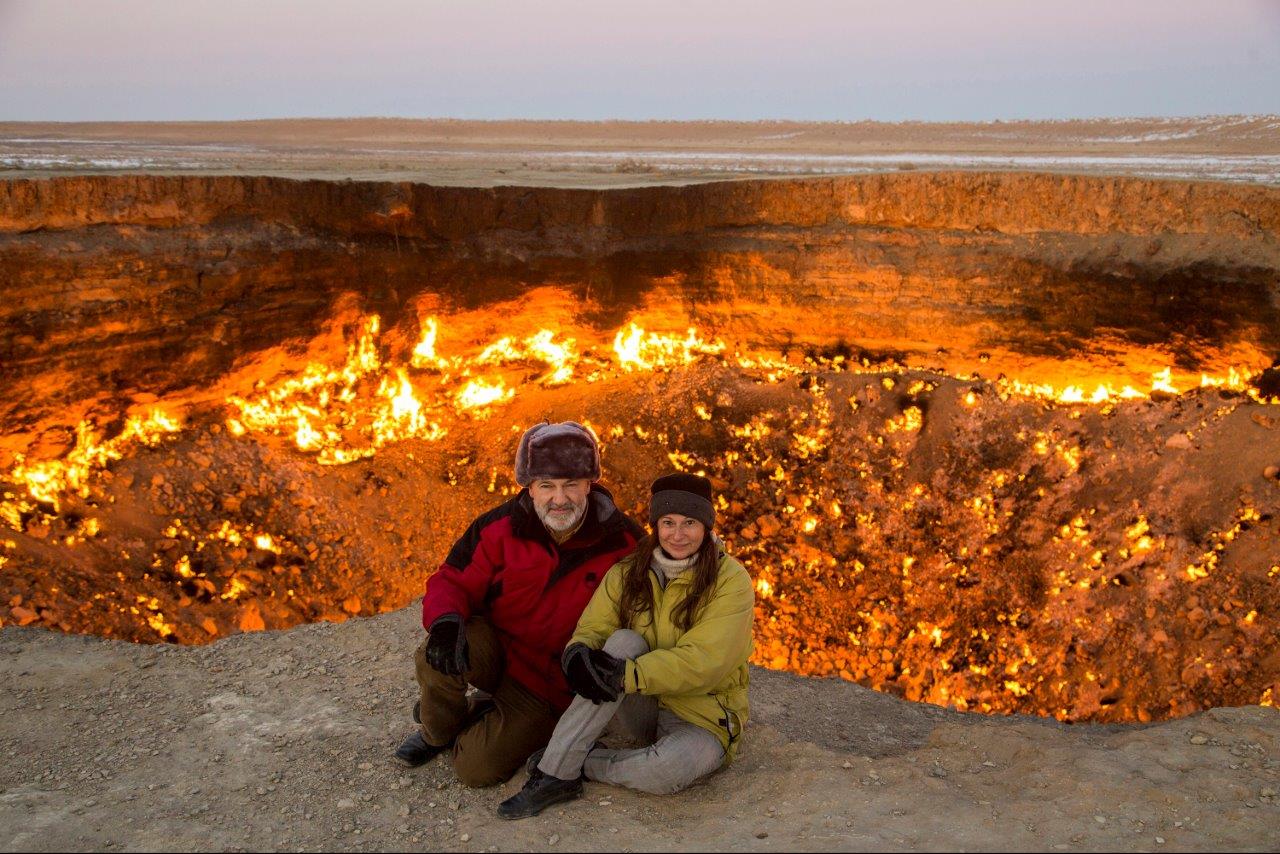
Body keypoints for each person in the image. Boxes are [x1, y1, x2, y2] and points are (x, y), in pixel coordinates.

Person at [394, 421, 643, 787]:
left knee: (476, 770)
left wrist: (603, 660)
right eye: (547, 486)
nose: (560, 499)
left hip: (551, 681)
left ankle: (487, 716)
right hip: (497, 648)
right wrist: (445, 622)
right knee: (435, 656)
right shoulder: (499, 527)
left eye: (571, 484)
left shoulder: (624, 543)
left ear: (590, 484)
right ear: (529, 487)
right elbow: (453, 579)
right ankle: (437, 734)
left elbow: (645, 613)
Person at [497, 472, 754, 818]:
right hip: (642, 705)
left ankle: (582, 762)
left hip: (701, 714)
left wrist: (626, 675)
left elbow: (705, 662)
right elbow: (595, 626)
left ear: (706, 526)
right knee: (623, 641)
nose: (678, 535)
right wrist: (578, 653)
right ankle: (555, 773)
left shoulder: (731, 581)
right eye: (668, 522)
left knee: (665, 771)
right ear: (655, 525)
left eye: (690, 523)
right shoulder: (631, 570)